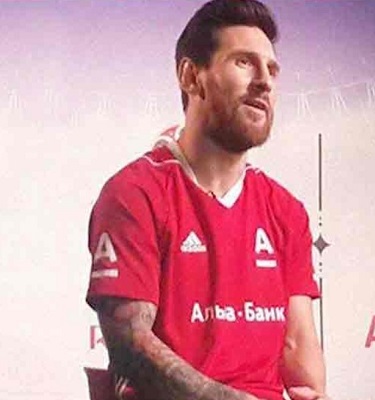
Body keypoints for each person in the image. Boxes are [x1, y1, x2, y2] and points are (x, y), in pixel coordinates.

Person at [85, 1, 327, 399]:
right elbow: (129, 345)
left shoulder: (286, 210)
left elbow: (298, 347)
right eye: (244, 63)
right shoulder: (135, 193)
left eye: (272, 70)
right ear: (190, 76)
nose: (264, 82)